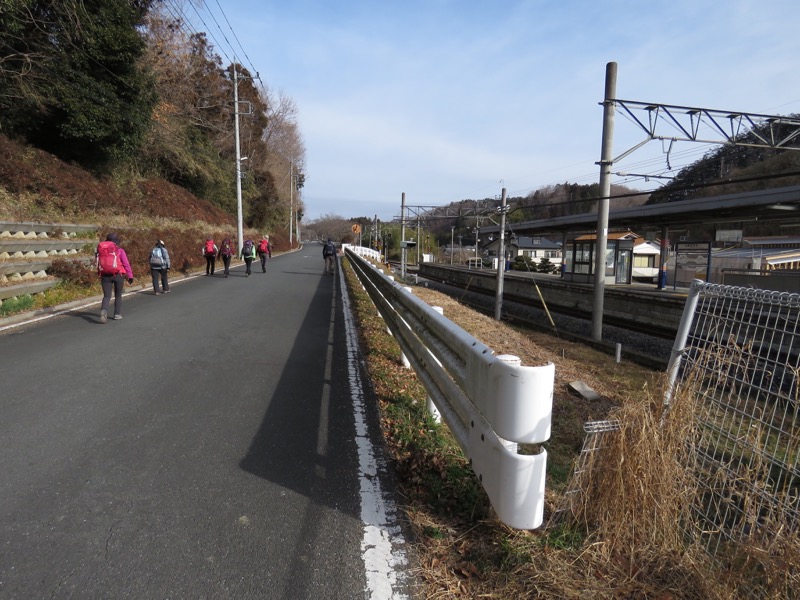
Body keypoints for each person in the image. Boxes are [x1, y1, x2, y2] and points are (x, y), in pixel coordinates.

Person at [96, 232, 133, 323]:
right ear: (116, 241)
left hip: (105, 275)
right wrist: (130, 276)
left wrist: (100, 273)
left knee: (107, 296)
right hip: (118, 274)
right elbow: (126, 264)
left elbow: (98, 263)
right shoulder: (119, 250)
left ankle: (104, 310)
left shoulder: (100, 250)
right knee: (118, 295)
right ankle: (117, 314)